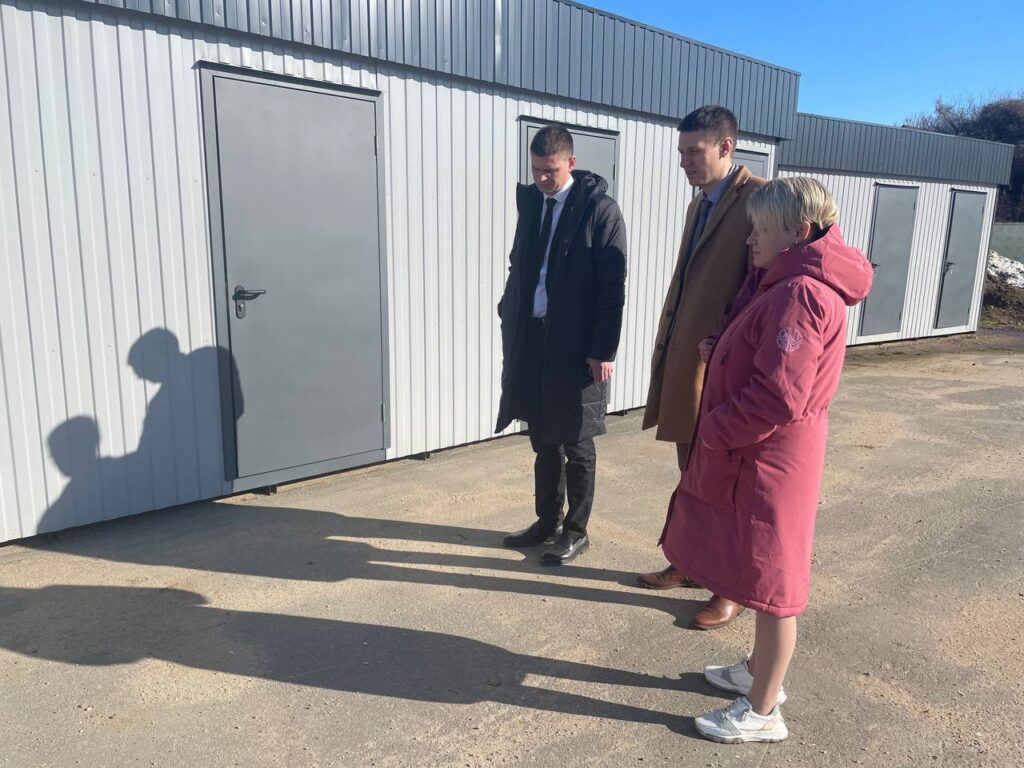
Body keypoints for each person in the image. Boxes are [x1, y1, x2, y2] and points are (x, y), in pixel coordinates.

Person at [661, 177, 873, 743]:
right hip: (769, 452)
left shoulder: (799, 292)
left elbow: (779, 396)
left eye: (759, 230)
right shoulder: (786, 282)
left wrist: (714, 430)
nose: (750, 240)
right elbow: (770, 361)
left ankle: (762, 711)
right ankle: (757, 672)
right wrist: (723, 351)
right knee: (759, 569)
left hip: (772, 457)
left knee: (776, 585)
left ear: (797, 232)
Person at [636, 105, 767, 631]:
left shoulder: (760, 199)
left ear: (726, 147)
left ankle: (728, 587)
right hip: (690, 361)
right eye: (682, 152)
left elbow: (763, 285)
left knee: (724, 482)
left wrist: (736, 349)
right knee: (691, 471)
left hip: (727, 368)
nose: (685, 161)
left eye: (695, 151)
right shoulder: (701, 203)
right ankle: (689, 563)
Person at [495, 125, 627, 565]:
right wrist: (509, 308)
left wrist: (603, 349)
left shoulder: (599, 210)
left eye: (550, 170)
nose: (541, 178)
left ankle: (576, 530)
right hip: (534, 339)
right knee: (543, 435)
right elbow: (520, 264)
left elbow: (612, 286)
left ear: (571, 162)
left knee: (577, 439)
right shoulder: (533, 203)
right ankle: (546, 522)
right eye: (536, 170)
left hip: (577, 345)